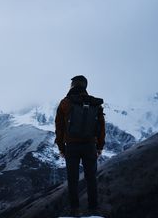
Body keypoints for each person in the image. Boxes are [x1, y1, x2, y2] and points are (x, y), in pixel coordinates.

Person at [54, 75, 105, 216]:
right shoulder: (95, 103)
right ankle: (93, 209)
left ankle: (74, 210)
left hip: (72, 146)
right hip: (90, 145)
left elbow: (59, 127)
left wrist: (61, 147)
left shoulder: (65, 102)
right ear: (85, 86)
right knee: (91, 178)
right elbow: (101, 127)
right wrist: (100, 147)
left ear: (73, 86)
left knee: (73, 179)